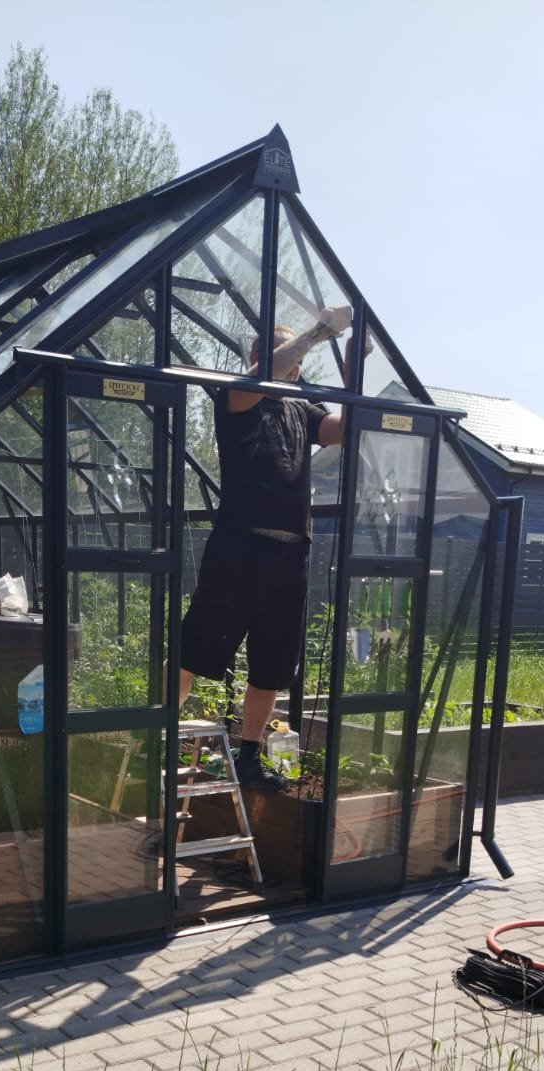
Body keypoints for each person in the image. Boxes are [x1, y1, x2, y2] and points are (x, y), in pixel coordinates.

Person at [178, 307, 362, 790]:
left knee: (271, 668)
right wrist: (316, 333)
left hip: (290, 557)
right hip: (239, 550)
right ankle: (153, 738)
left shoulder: (302, 410)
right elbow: (262, 377)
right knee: (192, 652)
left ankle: (248, 758)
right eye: (283, 355)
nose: (293, 364)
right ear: (258, 358)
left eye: (296, 358)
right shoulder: (238, 398)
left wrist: (353, 372)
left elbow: (344, 430)